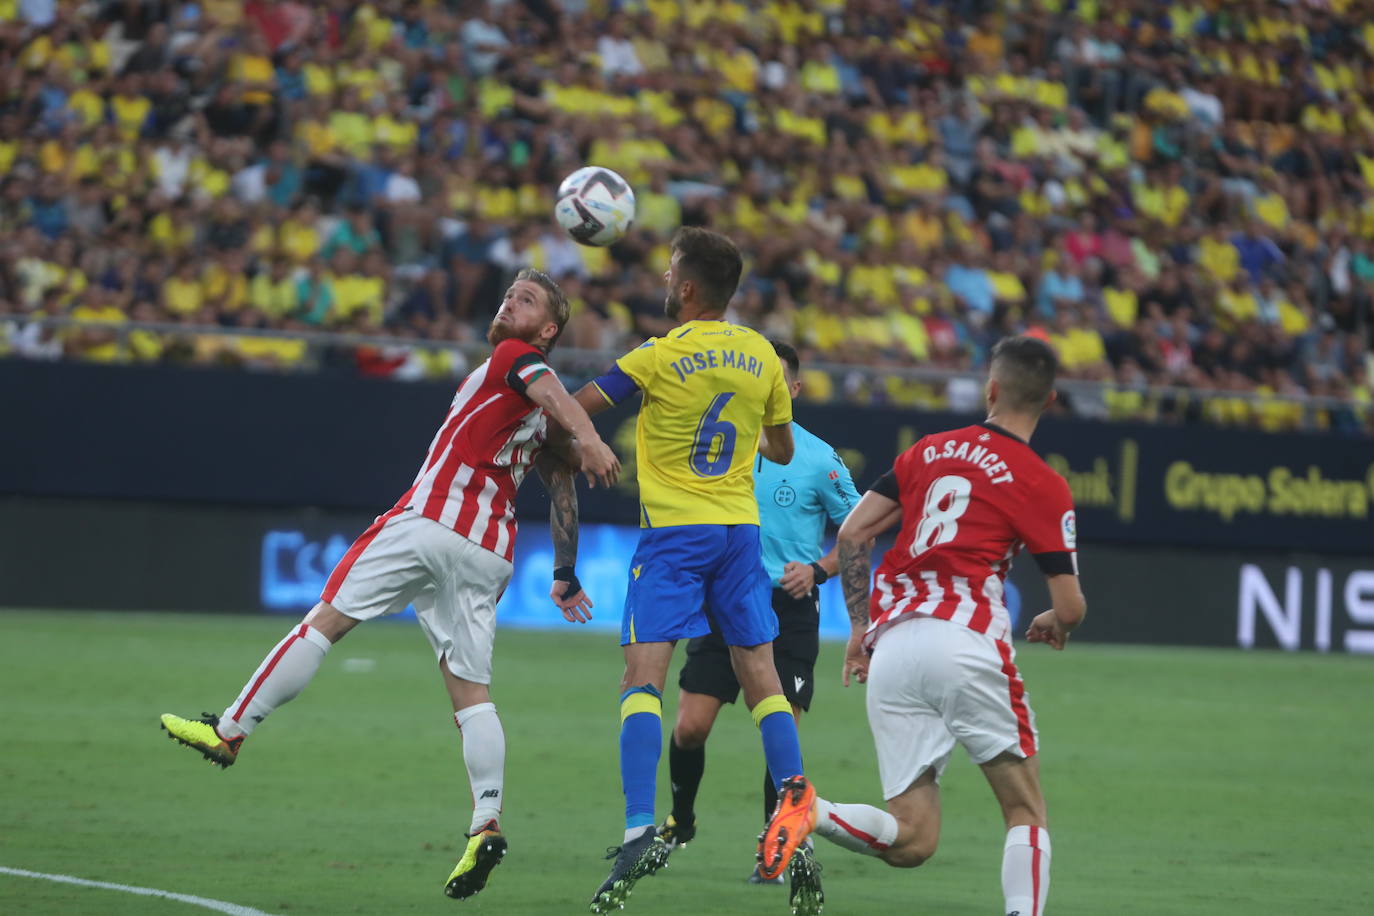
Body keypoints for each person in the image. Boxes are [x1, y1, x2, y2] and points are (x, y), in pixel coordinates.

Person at [158, 268, 619, 902]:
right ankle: (486, 822)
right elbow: (561, 484)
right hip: (489, 552)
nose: (509, 300)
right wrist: (564, 572)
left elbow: (554, 396)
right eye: (509, 291)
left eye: (527, 299)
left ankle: (231, 730)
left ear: (545, 330)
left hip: (431, 520)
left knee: (326, 620)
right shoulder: (534, 415)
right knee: (472, 693)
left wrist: (591, 437)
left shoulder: (519, 359)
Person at [567, 227, 820, 913]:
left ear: (686, 287)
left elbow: (579, 408)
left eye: (671, 271)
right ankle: (795, 814)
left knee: (641, 677)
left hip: (675, 534)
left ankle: (638, 829)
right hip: (740, 533)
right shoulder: (763, 354)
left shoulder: (657, 354)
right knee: (762, 679)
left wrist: (582, 439)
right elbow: (783, 444)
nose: (665, 280)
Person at [802, 336, 1087, 916]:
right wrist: (1054, 618)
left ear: (991, 388)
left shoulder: (930, 450)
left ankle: (810, 813)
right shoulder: (1040, 481)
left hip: (894, 647)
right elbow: (1072, 605)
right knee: (1025, 811)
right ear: (1050, 400)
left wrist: (859, 627)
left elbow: (854, 533)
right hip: (963, 639)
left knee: (912, 840)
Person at [658, 340, 859, 895]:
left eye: (779, 379)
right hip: (724, 601)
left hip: (787, 610)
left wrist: (818, 571)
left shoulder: (818, 458)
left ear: (791, 389)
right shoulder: (724, 446)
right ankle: (681, 819)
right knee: (690, 727)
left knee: (781, 733)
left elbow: (861, 531)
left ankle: (774, 846)